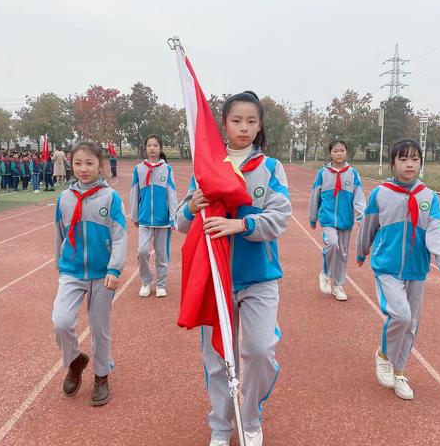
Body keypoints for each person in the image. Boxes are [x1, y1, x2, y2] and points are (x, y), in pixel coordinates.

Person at [176, 91, 291, 446]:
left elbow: (279, 217)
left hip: (259, 277)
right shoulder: (206, 166)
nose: (244, 127)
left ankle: (251, 415)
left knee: (258, 351)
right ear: (223, 124)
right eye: (236, 120)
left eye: (251, 121)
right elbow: (180, 223)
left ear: (259, 127)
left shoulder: (270, 169)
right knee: (217, 361)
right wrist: (192, 206)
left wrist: (242, 226)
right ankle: (221, 429)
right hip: (216, 280)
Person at [357, 139, 440, 401]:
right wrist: (361, 250)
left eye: (415, 159)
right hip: (386, 267)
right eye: (403, 159)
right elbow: (368, 224)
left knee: (411, 324)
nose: (409, 164)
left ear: (421, 162)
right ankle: (384, 355)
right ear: (393, 163)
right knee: (399, 314)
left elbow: (439, 228)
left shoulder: (429, 197)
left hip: (417, 268)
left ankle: (399, 372)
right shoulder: (381, 193)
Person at [52, 141, 127, 406]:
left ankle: (101, 375)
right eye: (78, 163)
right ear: (71, 165)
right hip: (72, 272)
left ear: (100, 165)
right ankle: (75, 360)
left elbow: (119, 236)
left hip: (102, 274)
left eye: (89, 163)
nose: (83, 169)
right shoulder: (64, 199)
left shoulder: (110, 198)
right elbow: (59, 234)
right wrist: (60, 265)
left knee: (99, 328)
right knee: (61, 321)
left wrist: (114, 268)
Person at [308, 139, 366, 301]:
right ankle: (326, 274)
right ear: (330, 153)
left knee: (342, 254)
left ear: (346, 152)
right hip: (327, 219)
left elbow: (359, 196)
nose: (339, 154)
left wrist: (361, 215)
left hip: (345, 220)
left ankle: (339, 286)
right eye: (335, 151)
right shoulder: (323, 173)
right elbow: (315, 196)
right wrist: (312, 217)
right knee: (332, 244)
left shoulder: (352, 173)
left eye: (342, 150)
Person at [130, 134, 178, 298]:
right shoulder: (139, 169)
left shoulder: (167, 169)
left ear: (160, 148)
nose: (152, 148)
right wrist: (135, 215)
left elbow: (171, 194)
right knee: (142, 251)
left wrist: (173, 216)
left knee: (161, 253)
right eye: (149, 145)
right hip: (144, 219)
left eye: (155, 145)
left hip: (163, 220)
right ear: (145, 148)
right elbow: (134, 193)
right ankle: (145, 281)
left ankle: (161, 284)